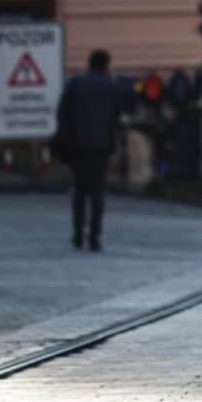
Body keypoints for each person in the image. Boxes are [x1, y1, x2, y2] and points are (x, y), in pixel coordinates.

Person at [55, 49, 128, 252]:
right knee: (97, 192)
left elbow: (62, 113)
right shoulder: (112, 86)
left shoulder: (76, 84)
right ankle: (94, 237)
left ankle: (78, 234)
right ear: (106, 65)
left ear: (89, 63)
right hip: (101, 146)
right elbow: (119, 114)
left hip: (78, 145)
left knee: (79, 191)